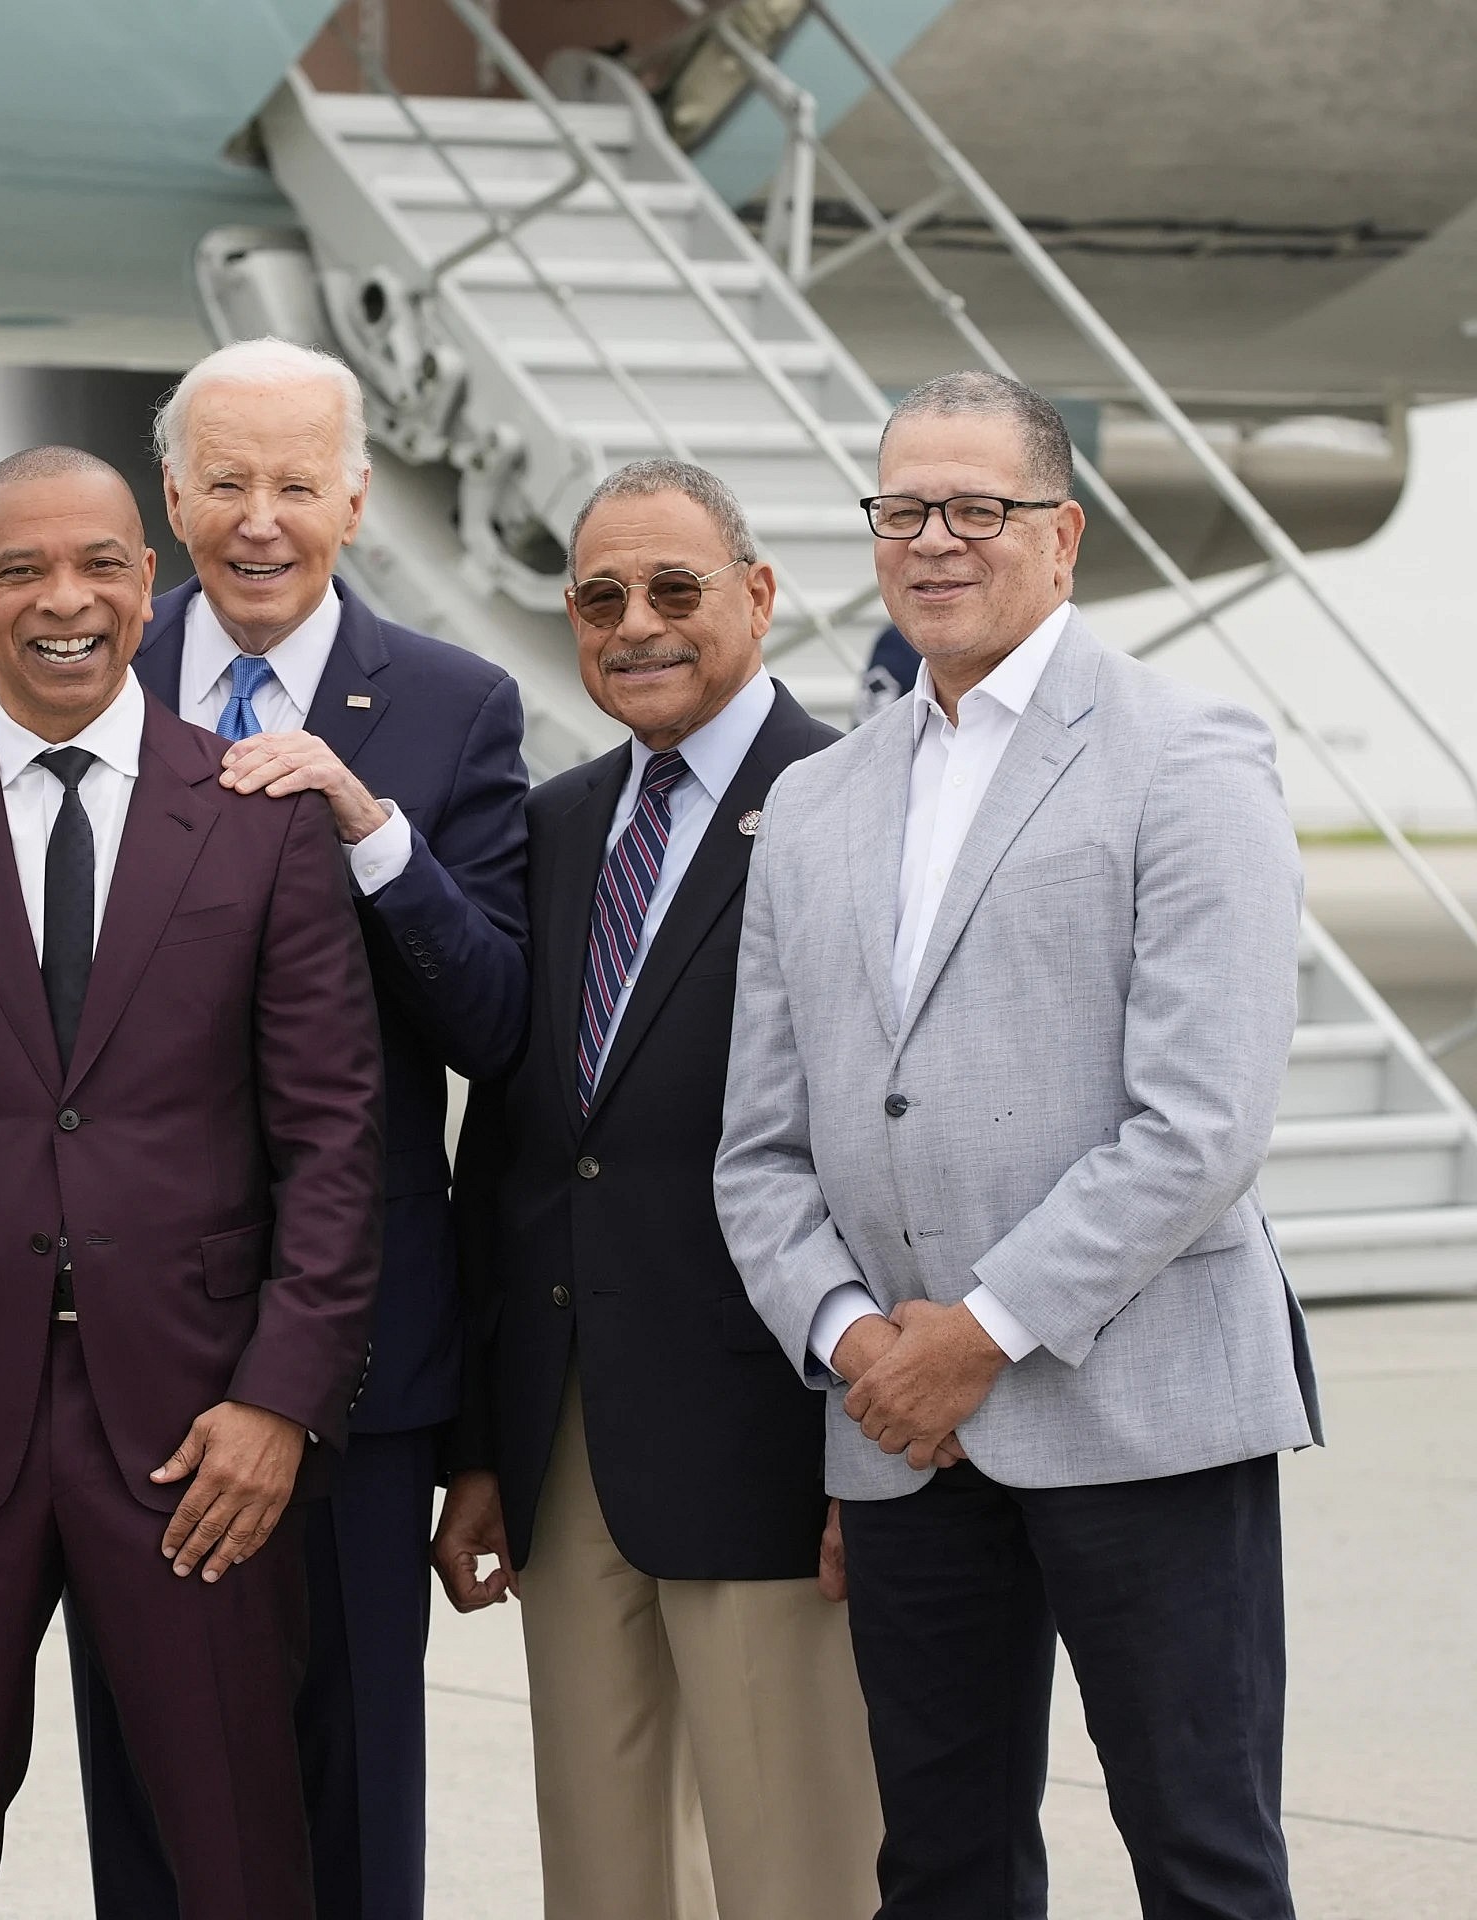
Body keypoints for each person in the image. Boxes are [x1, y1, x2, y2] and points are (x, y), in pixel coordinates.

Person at [0, 336, 528, 1920]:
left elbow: (497, 1025)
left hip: (348, 1360)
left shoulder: (454, 707)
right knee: (160, 1809)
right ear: (172, 503)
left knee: (347, 1795)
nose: (261, 518)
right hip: (123, 1366)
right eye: (226, 482)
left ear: (356, 497)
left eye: (297, 482)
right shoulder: (86, 649)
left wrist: (371, 832)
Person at [715, 369, 1320, 1918]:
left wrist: (976, 1334)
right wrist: (859, 1346)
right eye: (903, 508)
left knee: (1204, 1859)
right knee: (942, 1871)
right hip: (904, 1439)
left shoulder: (1190, 756)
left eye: (976, 506)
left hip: (1143, 1413)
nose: (934, 539)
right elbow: (760, 1153)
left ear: (1063, 533)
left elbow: (1202, 1122)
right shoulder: (814, 802)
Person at [0, 447, 383, 1920]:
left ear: (147, 584)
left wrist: (281, 1402)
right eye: (22, 570)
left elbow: (335, 1143)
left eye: (101, 564)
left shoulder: (259, 821)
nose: (65, 600)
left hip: (198, 1438)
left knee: (241, 1860)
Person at [431, 459, 878, 1919]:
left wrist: (866, 1459)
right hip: (567, 1451)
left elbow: (888, 1149)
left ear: (758, 595)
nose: (637, 624)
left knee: (796, 1874)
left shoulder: (849, 806)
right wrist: (485, 1446)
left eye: (675, 589)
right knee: (602, 1870)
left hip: (770, 1440)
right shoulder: (557, 825)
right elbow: (514, 1146)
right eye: (601, 597)